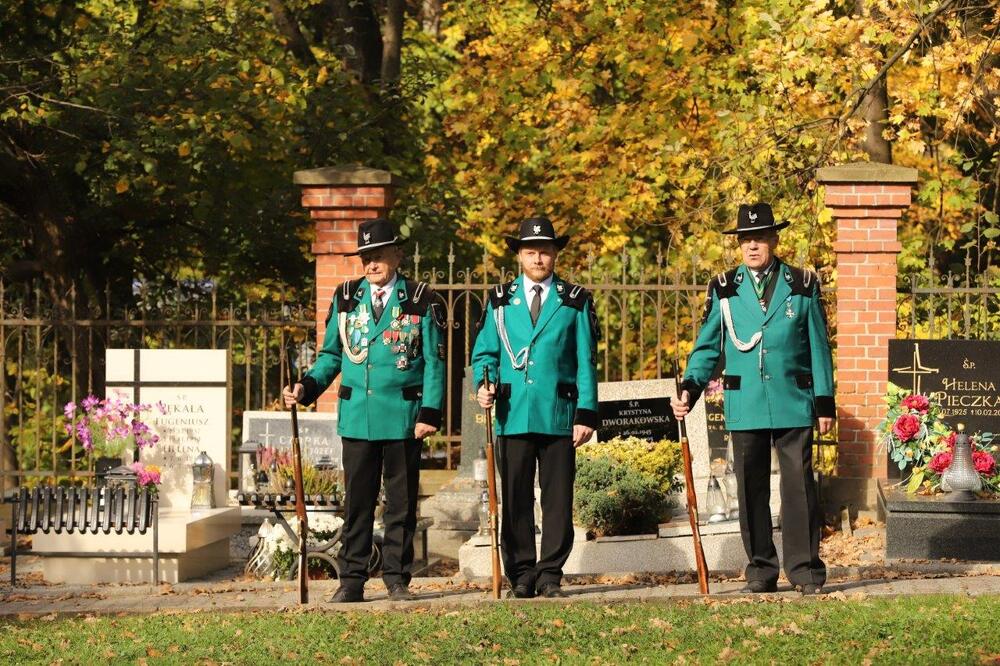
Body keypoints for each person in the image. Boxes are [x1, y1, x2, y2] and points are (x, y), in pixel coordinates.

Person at [670, 203, 835, 595]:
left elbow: (818, 346)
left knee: (799, 489)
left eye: (760, 238)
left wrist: (824, 401)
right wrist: (691, 387)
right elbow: (708, 346)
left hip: (793, 399)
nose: (753, 246)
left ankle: (805, 570)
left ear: (775, 240)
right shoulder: (725, 288)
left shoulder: (802, 284)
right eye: (746, 240)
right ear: (738, 246)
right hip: (745, 403)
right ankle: (761, 569)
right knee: (750, 490)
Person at [283, 217, 446, 603]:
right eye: (365, 256)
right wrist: (306, 386)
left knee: (401, 504)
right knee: (357, 502)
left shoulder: (421, 299)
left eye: (378, 255)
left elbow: (435, 363)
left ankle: (396, 578)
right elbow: (330, 356)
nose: (371, 263)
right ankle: (352, 578)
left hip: (404, 418)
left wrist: (431, 412)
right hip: (357, 416)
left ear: (397, 255)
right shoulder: (345, 297)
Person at [472, 216, 599, 598]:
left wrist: (587, 413)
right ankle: (521, 573)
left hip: (558, 413)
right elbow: (485, 353)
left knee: (558, 499)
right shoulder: (498, 301)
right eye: (531, 251)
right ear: (520, 256)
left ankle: (550, 575)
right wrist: (484, 383)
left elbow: (585, 360)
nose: (538, 258)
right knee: (514, 498)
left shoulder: (574, 301)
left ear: (555, 254)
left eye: (545, 251)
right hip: (513, 413)